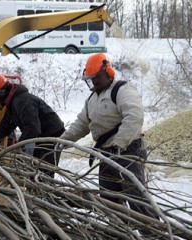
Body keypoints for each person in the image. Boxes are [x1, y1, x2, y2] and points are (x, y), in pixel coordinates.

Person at [59, 53, 158, 220]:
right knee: (108, 199)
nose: (94, 81)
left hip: (128, 150)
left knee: (136, 198)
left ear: (108, 72)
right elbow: (82, 124)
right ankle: (118, 231)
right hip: (106, 152)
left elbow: (134, 117)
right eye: (91, 78)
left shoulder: (122, 90)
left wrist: (120, 143)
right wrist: (63, 140)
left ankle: (153, 231)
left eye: (97, 77)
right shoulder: (92, 99)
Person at [0, 74, 65, 177]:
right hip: (42, 136)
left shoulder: (22, 101)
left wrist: (18, 148)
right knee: (35, 168)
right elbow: (5, 126)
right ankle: (36, 187)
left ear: (0, 94)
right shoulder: (12, 103)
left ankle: (47, 190)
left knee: (44, 171)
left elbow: (33, 128)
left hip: (52, 134)